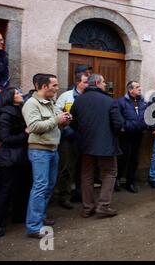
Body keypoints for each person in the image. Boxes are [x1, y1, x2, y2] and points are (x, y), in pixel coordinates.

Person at [22, 74, 71, 238]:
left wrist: (64, 120)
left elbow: (54, 123)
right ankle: (34, 227)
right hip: (39, 150)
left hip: (52, 149)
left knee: (49, 186)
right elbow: (34, 126)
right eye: (55, 85)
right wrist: (57, 120)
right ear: (43, 86)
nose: (57, 88)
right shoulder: (31, 104)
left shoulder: (50, 103)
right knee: (40, 186)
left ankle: (40, 217)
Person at [70, 74, 124, 218]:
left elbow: (73, 123)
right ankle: (103, 206)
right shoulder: (109, 101)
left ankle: (88, 207)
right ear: (98, 82)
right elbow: (118, 124)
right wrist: (113, 135)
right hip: (106, 145)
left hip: (85, 145)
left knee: (86, 175)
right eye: (104, 82)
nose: (106, 84)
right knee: (110, 173)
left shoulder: (79, 100)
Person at [0, 87, 30, 237]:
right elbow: (6, 138)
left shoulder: (19, 109)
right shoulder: (6, 114)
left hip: (20, 157)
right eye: (17, 93)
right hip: (10, 158)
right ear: (10, 97)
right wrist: (25, 134)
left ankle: (19, 216)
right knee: (5, 191)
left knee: (21, 188)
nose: (20, 94)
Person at [54, 72, 89, 209]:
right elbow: (56, 111)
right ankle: (64, 197)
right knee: (67, 167)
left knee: (83, 167)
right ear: (77, 83)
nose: (87, 84)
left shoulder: (88, 97)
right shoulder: (66, 96)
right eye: (85, 82)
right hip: (68, 138)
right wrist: (66, 128)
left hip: (84, 138)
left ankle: (79, 193)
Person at [116, 80, 151, 193]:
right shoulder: (121, 102)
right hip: (125, 135)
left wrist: (145, 125)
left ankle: (130, 182)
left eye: (140, 87)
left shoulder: (143, 102)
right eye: (137, 87)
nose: (140, 89)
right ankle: (117, 179)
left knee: (134, 159)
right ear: (130, 90)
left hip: (139, 134)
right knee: (123, 158)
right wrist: (124, 126)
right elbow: (118, 117)